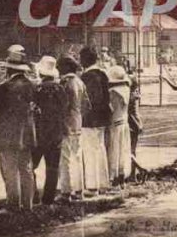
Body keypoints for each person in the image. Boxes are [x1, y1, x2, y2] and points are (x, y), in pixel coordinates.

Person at [0, 45, 37, 213]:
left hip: (8, 134)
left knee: (10, 169)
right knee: (26, 168)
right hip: (27, 133)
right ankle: (27, 204)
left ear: (9, 69)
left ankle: (13, 204)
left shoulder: (6, 87)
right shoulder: (31, 85)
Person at [32, 56, 66, 205]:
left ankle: (33, 195)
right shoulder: (61, 89)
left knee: (30, 166)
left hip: (40, 132)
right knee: (52, 168)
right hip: (56, 132)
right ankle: (48, 198)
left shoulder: (38, 89)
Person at [80, 47, 111, 196]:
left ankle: (92, 186)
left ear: (85, 60)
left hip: (90, 119)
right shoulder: (102, 74)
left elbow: (90, 100)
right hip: (103, 118)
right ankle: (103, 183)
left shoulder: (87, 77)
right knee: (100, 149)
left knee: (90, 151)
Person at [56, 56, 85, 202]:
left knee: (65, 158)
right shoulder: (80, 82)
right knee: (77, 157)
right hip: (78, 122)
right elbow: (87, 105)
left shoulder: (65, 83)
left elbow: (62, 105)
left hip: (66, 123)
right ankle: (79, 190)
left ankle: (66, 191)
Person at [106, 65, 132, 188]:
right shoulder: (126, 90)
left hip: (114, 123)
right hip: (124, 122)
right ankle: (123, 174)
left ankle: (114, 176)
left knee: (114, 150)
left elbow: (110, 109)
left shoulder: (112, 93)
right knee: (124, 149)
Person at [127, 69, 145, 182]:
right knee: (131, 150)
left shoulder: (131, 97)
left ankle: (137, 171)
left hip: (132, 123)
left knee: (130, 150)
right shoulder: (134, 94)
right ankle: (132, 174)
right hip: (136, 123)